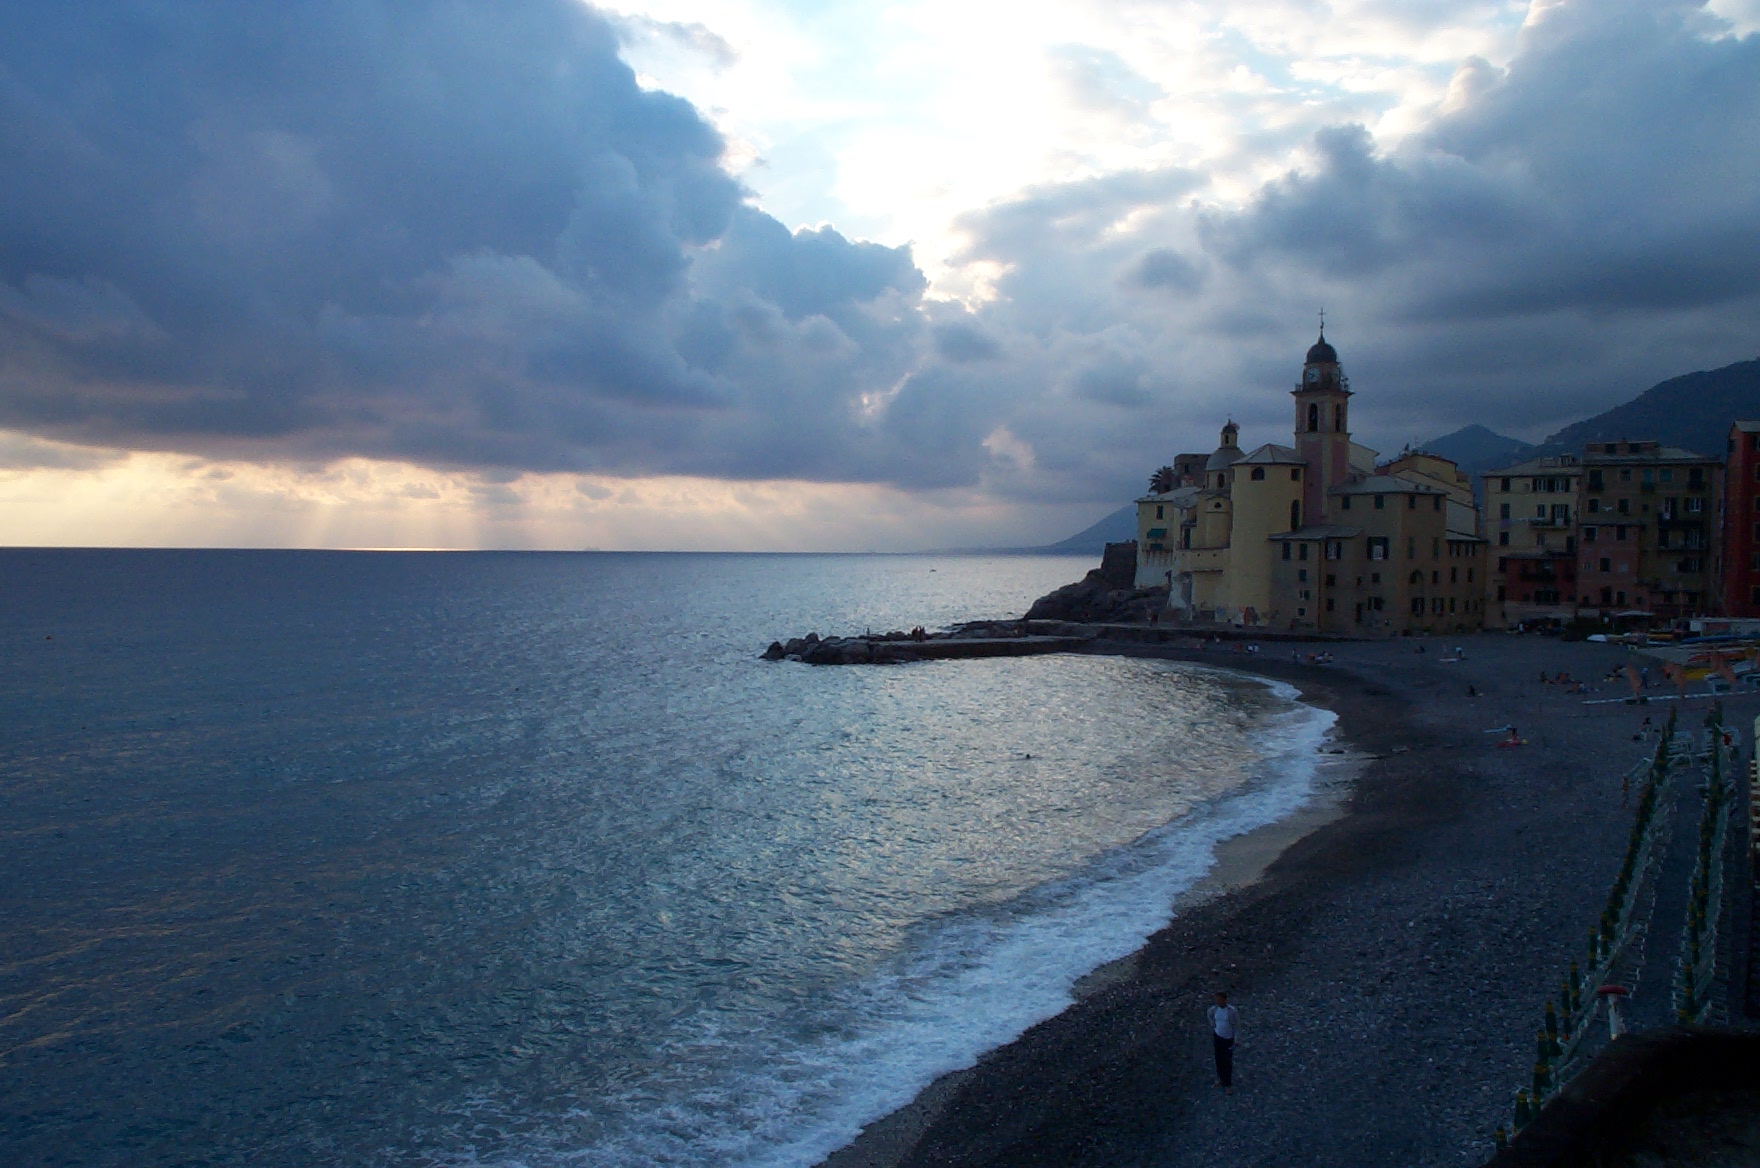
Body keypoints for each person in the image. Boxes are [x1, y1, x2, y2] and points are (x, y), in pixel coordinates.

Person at [1208, 991, 1239, 1093]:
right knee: (1218, 1059)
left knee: (1227, 1061)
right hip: (1218, 1037)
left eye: (1220, 999)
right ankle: (1221, 1079)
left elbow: (1236, 1025)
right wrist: (1214, 1026)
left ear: (1225, 1000)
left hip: (1228, 1039)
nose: (1218, 1001)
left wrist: (1237, 1038)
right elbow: (1210, 1016)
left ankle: (1228, 1084)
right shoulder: (1214, 1010)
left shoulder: (1231, 1011)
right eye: (1217, 999)